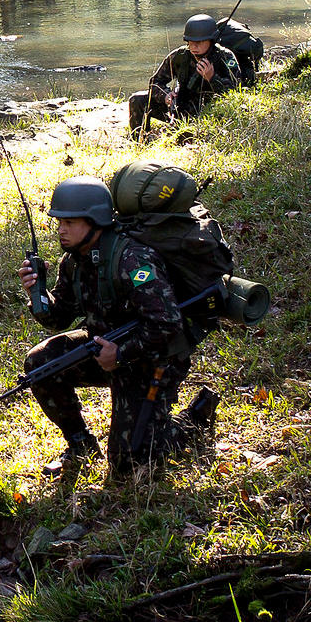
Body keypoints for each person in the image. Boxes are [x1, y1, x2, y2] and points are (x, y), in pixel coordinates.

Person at [16, 176, 215, 477]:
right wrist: (38, 294)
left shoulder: (133, 261)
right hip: (104, 348)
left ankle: (193, 421)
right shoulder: (73, 261)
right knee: (41, 365)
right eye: (59, 221)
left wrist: (121, 354)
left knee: (129, 463)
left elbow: (167, 324)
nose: (61, 229)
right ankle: (80, 443)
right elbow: (58, 318)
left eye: (70, 222)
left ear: (94, 220)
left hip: (153, 359)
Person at [127, 14, 243, 132]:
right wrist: (166, 96)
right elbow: (155, 82)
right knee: (137, 100)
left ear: (211, 40)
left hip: (210, 113)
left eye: (199, 42)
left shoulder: (225, 57)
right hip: (180, 107)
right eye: (190, 42)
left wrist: (212, 78)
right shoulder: (180, 56)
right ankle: (140, 141)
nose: (194, 46)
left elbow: (236, 93)